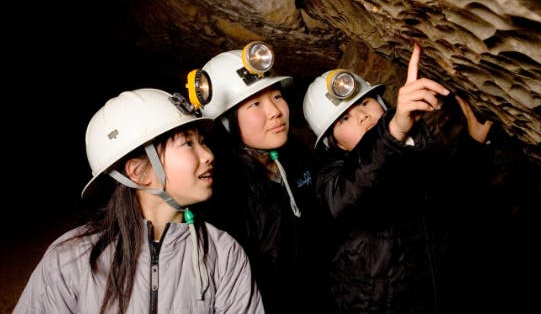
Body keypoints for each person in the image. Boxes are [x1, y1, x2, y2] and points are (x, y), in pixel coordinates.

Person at [13, 88, 264, 314]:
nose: (208, 155)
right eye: (188, 143)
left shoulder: (223, 254)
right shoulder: (69, 259)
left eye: (202, 142)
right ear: (138, 172)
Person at [302, 43, 493, 313]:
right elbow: (350, 191)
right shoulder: (329, 181)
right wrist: (394, 129)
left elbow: (455, 201)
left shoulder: (419, 151)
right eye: (345, 118)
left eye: (366, 103)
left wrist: (473, 145)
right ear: (336, 144)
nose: (363, 116)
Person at [184, 41, 330, 314]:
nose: (275, 111)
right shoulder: (217, 191)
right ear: (226, 120)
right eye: (255, 103)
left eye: (276, 96)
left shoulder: (299, 158)